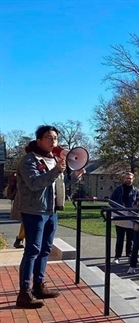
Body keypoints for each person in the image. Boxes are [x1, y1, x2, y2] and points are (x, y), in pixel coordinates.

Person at [15, 125, 85, 308]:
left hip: (51, 211)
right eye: (49, 138)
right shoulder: (28, 160)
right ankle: (24, 292)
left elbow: (57, 184)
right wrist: (57, 171)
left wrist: (74, 177)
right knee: (32, 251)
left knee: (45, 249)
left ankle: (39, 285)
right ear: (39, 140)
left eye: (55, 138)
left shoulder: (53, 159)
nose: (54, 141)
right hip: (34, 211)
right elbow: (34, 184)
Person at [110, 172, 139, 263]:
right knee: (120, 238)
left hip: (131, 216)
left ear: (133, 179)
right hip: (120, 216)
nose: (128, 180)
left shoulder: (136, 191)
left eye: (130, 178)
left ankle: (129, 255)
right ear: (124, 179)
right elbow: (111, 201)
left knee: (130, 238)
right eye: (127, 178)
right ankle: (117, 257)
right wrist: (118, 209)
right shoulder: (118, 190)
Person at [5, 172, 25, 249]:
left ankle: (20, 239)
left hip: (25, 201)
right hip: (24, 200)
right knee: (28, 221)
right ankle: (20, 239)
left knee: (27, 222)